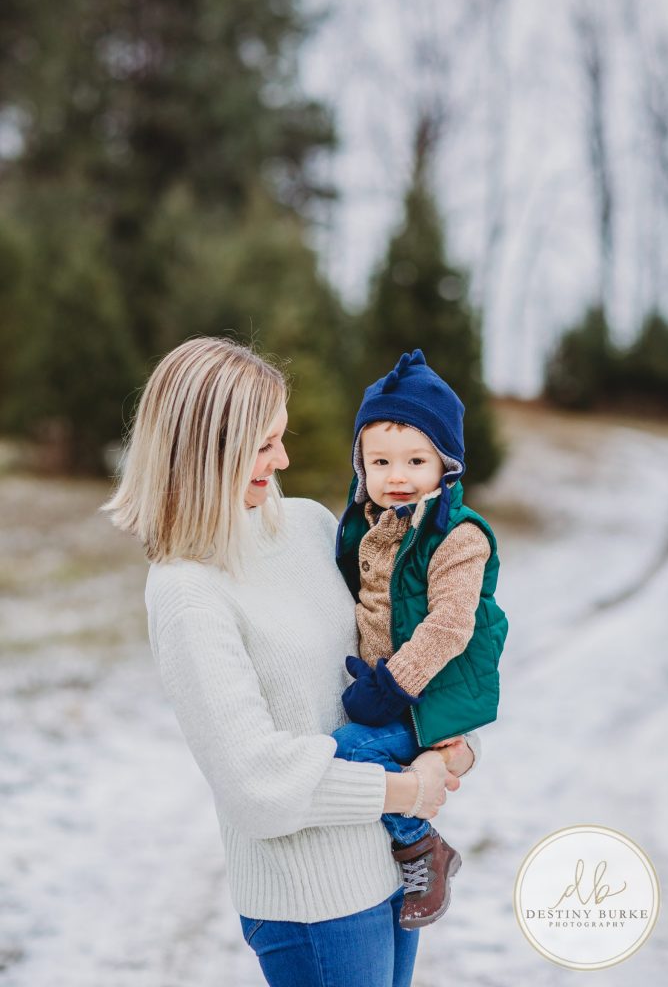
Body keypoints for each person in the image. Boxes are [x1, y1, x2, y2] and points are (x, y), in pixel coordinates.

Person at [102, 337, 480, 987]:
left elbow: (391, 644)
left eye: (281, 436)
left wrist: (450, 746)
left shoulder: (305, 525)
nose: (283, 457)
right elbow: (254, 782)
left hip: (392, 866)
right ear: (204, 448)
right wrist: (402, 790)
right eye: (263, 443)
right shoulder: (186, 591)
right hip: (313, 902)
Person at [333, 349, 508, 931]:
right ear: (361, 465)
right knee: (360, 751)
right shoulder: (368, 522)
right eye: (380, 461)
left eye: (415, 460)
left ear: (446, 465)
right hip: (392, 681)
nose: (397, 476)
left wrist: (390, 687)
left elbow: (449, 627)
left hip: (431, 689)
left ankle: (421, 849)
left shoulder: (457, 537)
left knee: (354, 752)